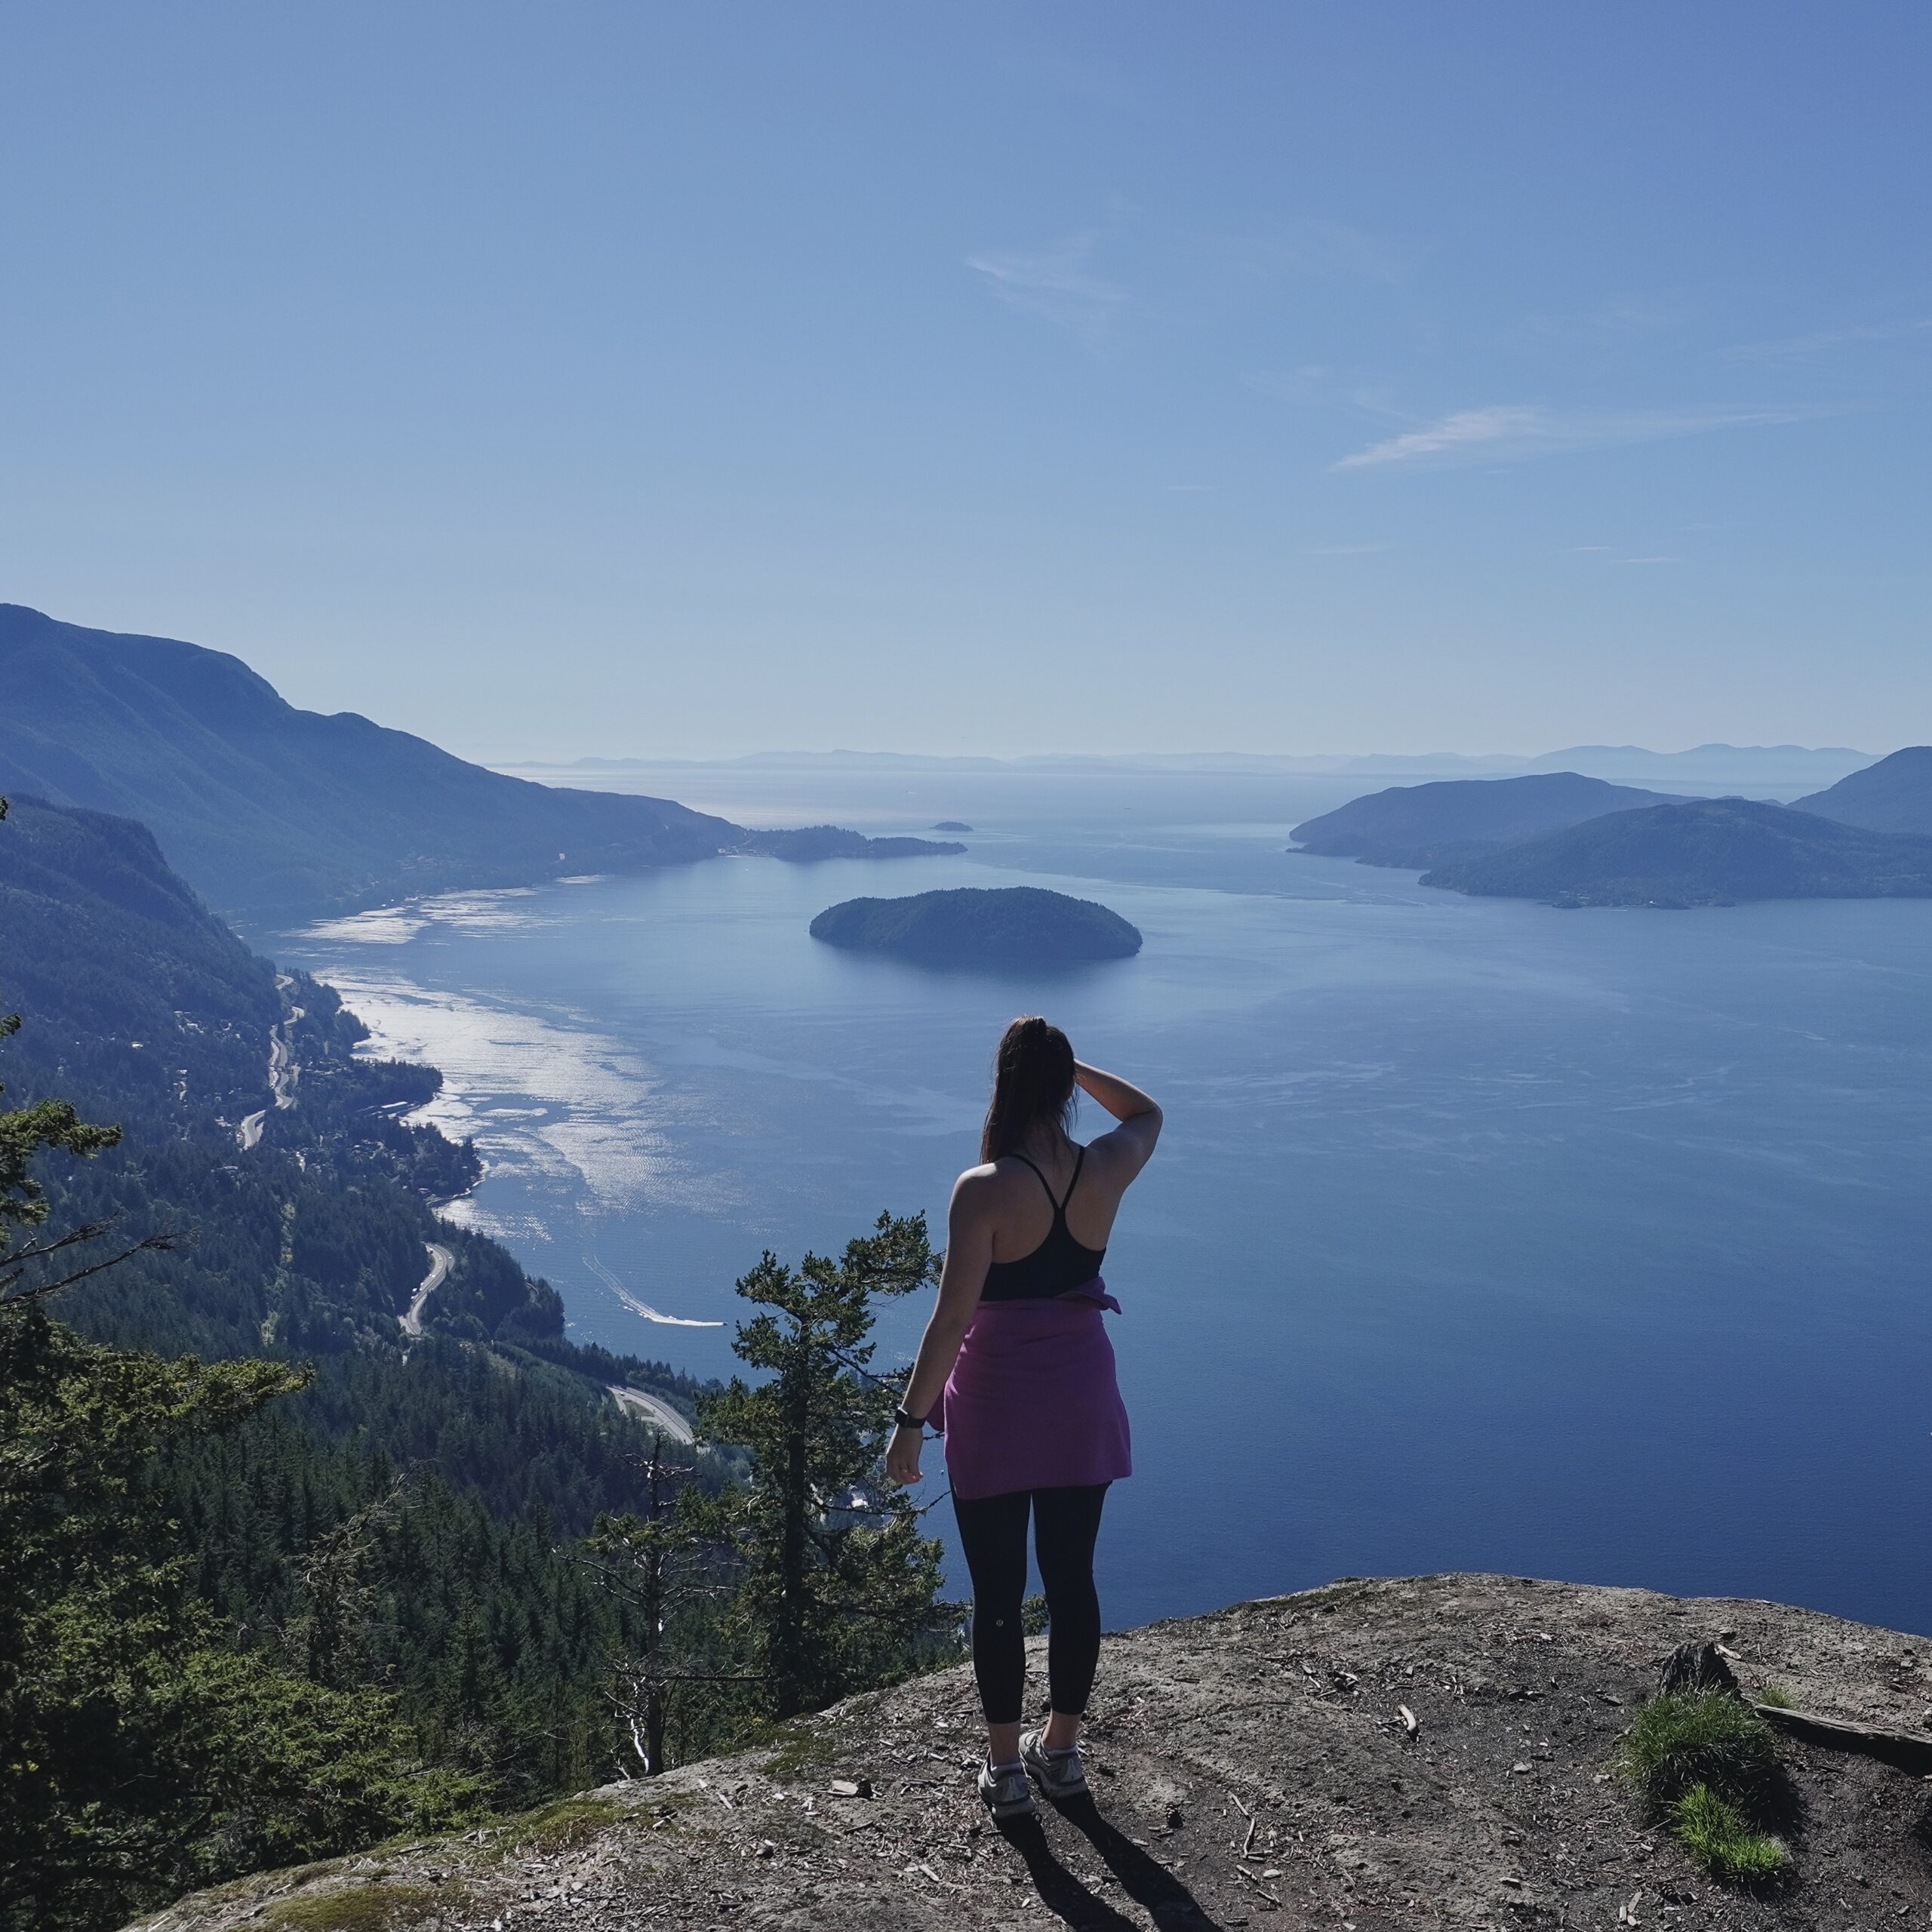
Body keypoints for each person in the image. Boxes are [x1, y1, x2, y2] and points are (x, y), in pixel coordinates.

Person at [885, 1016, 1161, 1820]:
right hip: (1079, 1392)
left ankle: (1007, 1770)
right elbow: (1146, 1113)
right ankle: (1062, 1751)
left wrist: (911, 1420)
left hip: (1000, 1403)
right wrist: (1073, 1071)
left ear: (1004, 1086)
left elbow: (950, 1320)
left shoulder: (984, 1189)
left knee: (999, 1595)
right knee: (1073, 1582)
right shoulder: (1104, 1166)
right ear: (1063, 1084)